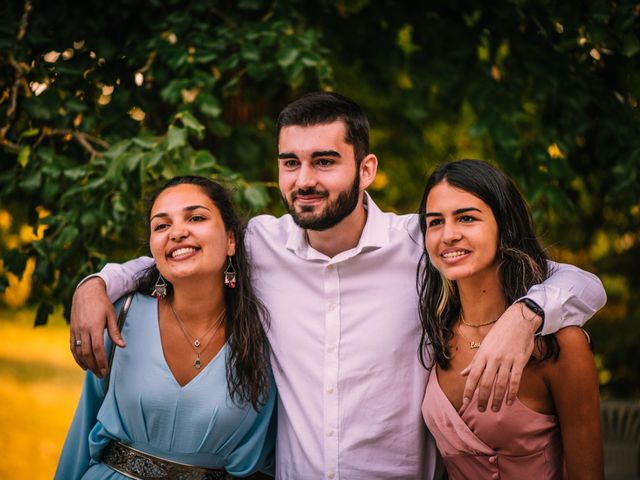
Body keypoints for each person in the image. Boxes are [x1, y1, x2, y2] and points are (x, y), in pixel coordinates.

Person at [69, 92, 606, 479]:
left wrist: (526, 314)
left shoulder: (422, 243)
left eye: (324, 162)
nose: (304, 180)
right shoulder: (259, 244)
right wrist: (95, 283)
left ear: (366, 168)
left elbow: (582, 284)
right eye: (290, 163)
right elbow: (178, 253)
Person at [56, 176, 276, 479]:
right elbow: (83, 427)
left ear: (230, 240)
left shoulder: (264, 336)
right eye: (162, 225)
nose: (177, 232)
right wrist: (93, 283)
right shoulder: (122, 313)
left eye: (196, 217)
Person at [418, 160, 604, 479]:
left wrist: (524, 314)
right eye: (435, 222)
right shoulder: (432, 336)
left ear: (504, 226)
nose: (448, 235)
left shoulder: (559, 344)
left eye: (466, 218)